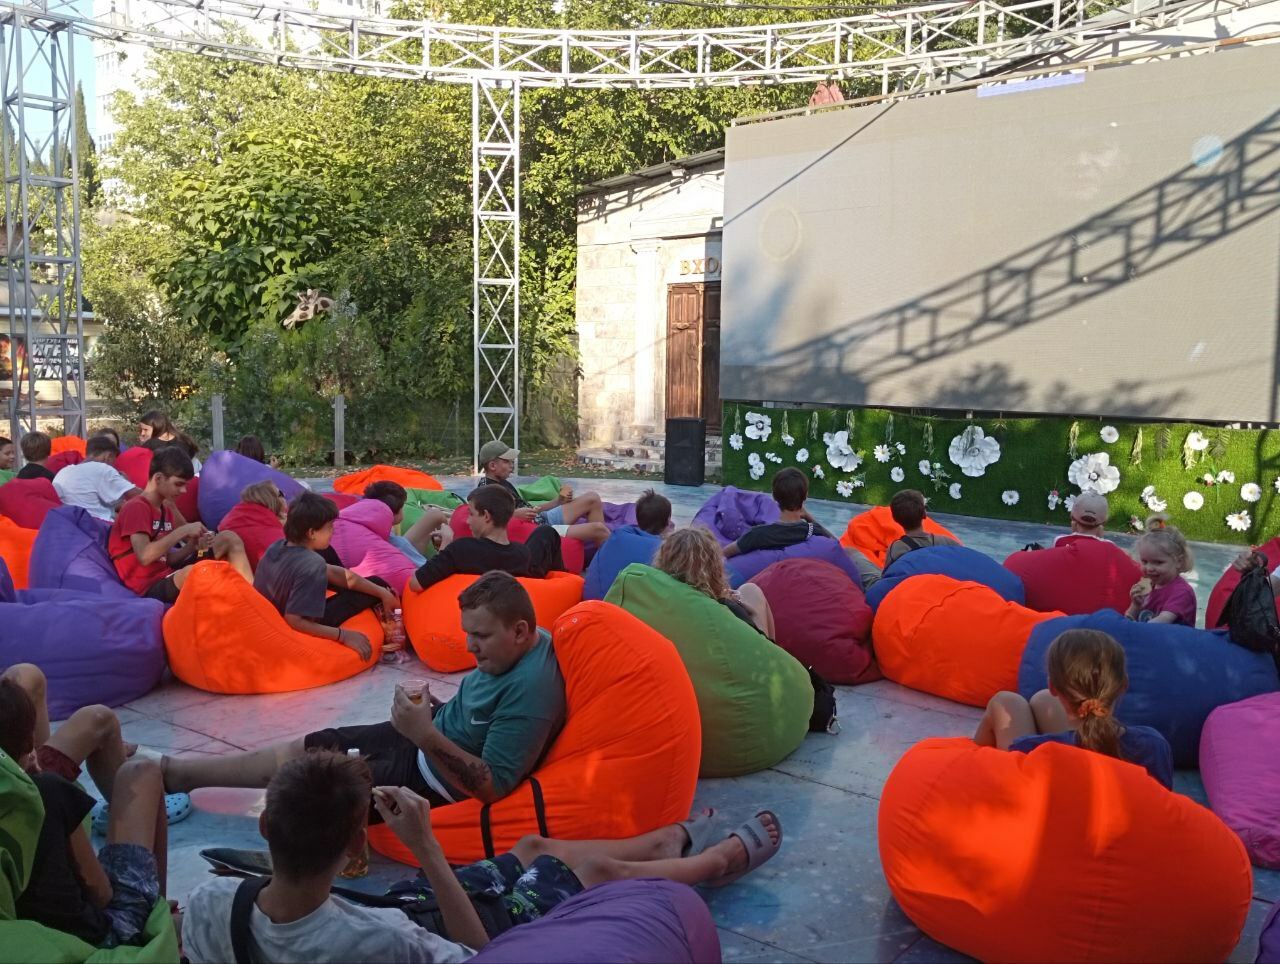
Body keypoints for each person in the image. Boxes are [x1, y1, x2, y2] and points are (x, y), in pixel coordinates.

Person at [181, 752, 782, 963]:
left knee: (529, 848)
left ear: (266, 827)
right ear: (356, 845)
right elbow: (482, 955)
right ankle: (710, 865)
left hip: (407, 902)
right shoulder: (383, 942)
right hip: (447, 919)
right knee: (588, 873)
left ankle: (663, 842)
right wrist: (425, 847)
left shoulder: (212, 904)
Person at [163, 572, 567, 810]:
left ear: (520, 631)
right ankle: (180, 774)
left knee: (310, 783)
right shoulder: (524, 644)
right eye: (468, 633)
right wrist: (431, 718)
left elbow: (493, 786)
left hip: (429, 779)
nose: (469, 646)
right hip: (431, 735)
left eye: (481, 636)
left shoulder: (531, 691)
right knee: (317, 743)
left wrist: (423, 734)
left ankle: (178, 776)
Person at [0, 677, 172, 948]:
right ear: (30, 741)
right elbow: (101, 892)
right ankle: (160, 919)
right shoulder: (47, 792)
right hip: (92, 938)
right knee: (141, 773)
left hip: (25, 938)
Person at [974, 628, 1173, 788]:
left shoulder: (1032, 750)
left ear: (1053, 686)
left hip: (1049, 812)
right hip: (1119, 819)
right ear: (1124, 685)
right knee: (1041, 700)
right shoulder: (1153, 744)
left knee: (1005, 702)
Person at [252, 492, 399, 661]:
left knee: (374, 585)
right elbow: (294, 621)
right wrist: (343, 635)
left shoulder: (277, 546)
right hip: (294, 626)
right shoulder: (312, 564)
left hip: (271, 615)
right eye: (329, 527)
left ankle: (381, 596)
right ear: (312, 532)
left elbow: (334, 573)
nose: (333, 531)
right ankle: (393, 636)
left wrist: (382, 593)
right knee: (377, 584)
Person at [109, 446, 251, 604]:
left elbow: (168, 559)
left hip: (169, 573)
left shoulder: (165, 510)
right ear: (158, 478)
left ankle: (253, 600)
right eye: (178, 484)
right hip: (149, 587)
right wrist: (182, 531)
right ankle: (241, 604)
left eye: (185, 485)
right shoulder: (136, 507)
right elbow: (144, 556)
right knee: (195, 572)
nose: (183, 490)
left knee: (228, 538)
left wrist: (191, 546)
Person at [407, 485, 561, 594]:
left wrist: (446, 544)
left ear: (486, 516)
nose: (468, 521)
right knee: (546, 532)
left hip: (464, 618)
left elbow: (415, 584)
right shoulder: (522, 554)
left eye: (471, 514)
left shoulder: (461, 549)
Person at [475, 440, 610, 548]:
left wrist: (558, 501)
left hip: (541, 519)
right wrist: (513, 515)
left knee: (592, 498)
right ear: (492, 466)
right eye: (506, 461)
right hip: (540, 531)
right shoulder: (487, 491)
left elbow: (530, 510)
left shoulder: (502, 483)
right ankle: (608, 566)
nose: (511, 465)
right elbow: (486, 521)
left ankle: (600, 555)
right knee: (599, 529)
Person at [655, 526, 774, 638]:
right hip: (748, 641)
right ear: (714, 567)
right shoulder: (724, 609)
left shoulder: (656, 598)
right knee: (751, 591)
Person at [723, 467, 834, 558]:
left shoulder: (757, 534)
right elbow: (837, 546)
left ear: (774, 496)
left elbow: (723, 554)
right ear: (806, 495)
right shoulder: (812, 531)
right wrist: (808, 517)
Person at [582, 489, 670, 600]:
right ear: (668, 522)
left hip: (588, 600)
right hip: (616, 607)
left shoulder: (617, 534)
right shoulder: (662, 550)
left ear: (637, 518)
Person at [1126, 515, 1196, 625]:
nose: (1149, 568)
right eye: (1145, 561)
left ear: (1179, 561)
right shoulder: (1149, 586)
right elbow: (1128, 619)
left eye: (1158, 562)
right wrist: (1135, 605)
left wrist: (1134, 629)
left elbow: (1162, 622)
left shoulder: (1181, 592)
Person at [53, 434, 141, 521]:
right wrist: (127, 482)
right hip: (96, 525)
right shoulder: (102, 469)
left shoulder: (64, 471)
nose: (113, 467)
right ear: (108, 456)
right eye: (113, 461)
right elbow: (138, 495)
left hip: (69, 522)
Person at [218, 480, 287, 571]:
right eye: (280, 494)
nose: (284, 496)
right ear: (272, 500)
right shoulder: (277, 539)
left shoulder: (231, 522)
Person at [883, 489, 961, 567]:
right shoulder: (948, 543)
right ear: (924, 514)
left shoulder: (895, 549)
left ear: (895, 519)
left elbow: (889, 574)